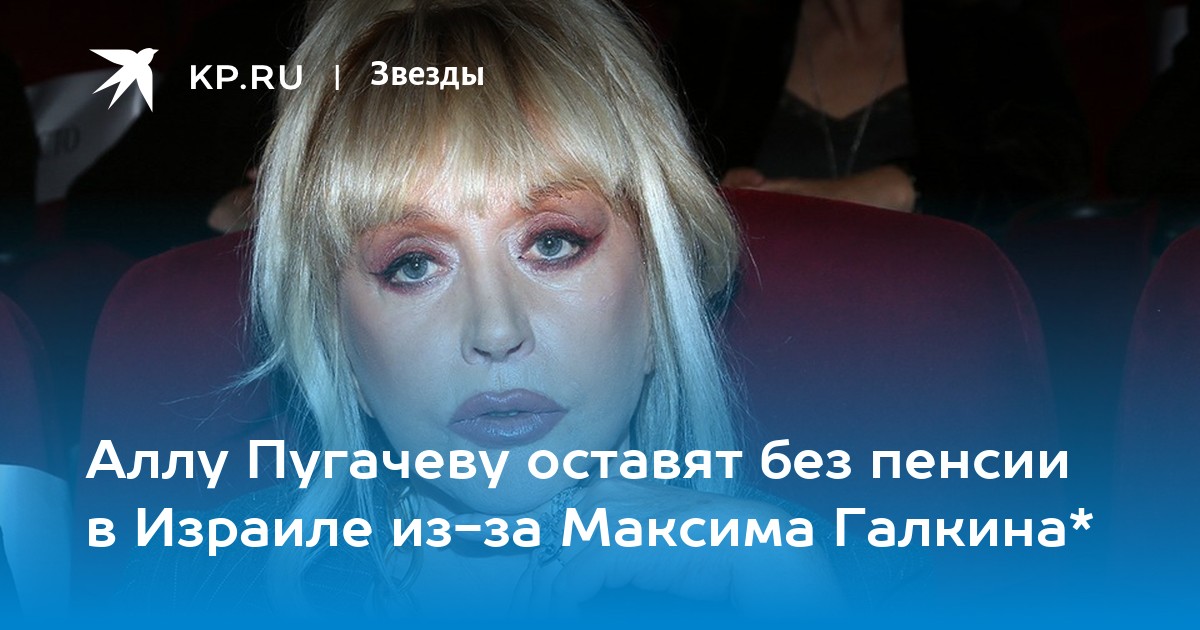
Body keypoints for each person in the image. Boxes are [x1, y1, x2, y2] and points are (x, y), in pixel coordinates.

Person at [124, 0, 848, 618]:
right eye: (413, 265)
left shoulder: (841, 576)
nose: (496, 331)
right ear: (335, 336)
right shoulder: (196, 583)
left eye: (554, 244)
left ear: (662, 293)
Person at [672, 0, 1090, 227]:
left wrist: (900, 187)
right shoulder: (721, 37)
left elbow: (1055, 173)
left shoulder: (997, 27)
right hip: (764, 329)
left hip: (936, 326)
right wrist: (713, 200)